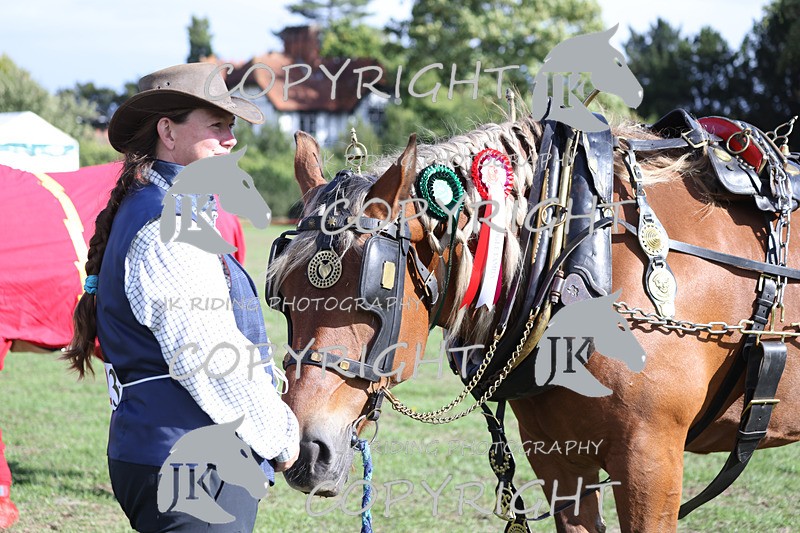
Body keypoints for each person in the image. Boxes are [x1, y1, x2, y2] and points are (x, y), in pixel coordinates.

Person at [63, 63, 299, 532]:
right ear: (167, 131)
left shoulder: (161, 209)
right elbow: (210, 357)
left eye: (231, 126)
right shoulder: (169, 225)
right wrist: (282, 438)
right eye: (217, 125)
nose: (231, 139)